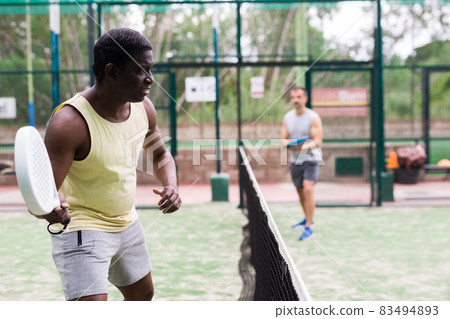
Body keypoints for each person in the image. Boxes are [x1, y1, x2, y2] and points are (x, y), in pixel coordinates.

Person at [38, 28, 181, 301]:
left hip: (127, 222)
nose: (150, 79)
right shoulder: (69, 123)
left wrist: (171, 186)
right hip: (82, 227)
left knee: (143, 295)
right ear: (112, 72)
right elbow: (45, 193)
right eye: (142, 70)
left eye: (151, 69)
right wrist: (50, 209)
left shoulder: (144, 108)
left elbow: (161, 155)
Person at [281, 86, 323, 240]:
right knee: (299, 191)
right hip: (295, 160)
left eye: (298, 97)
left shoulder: (313, 117)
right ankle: (307, 218)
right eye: (293, 97)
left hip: (311, 159)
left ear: (305, 99)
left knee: (307, 189)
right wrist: (289, 146)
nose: (295, 100)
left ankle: (309, 226)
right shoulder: (287, 117)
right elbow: (283, 139)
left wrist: (302, 148)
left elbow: (317, 141)